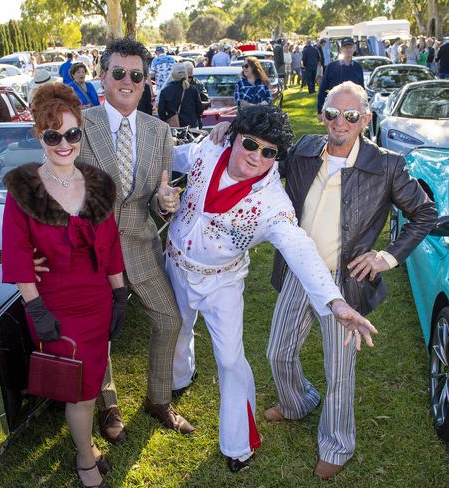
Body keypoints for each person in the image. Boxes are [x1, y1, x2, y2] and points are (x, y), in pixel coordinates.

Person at [169, 104, 376, 474]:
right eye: (250, 144)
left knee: (231, 359)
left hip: (223, 282)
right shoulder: (208, 150)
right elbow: (168, 157)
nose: (256, 157)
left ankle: (239, 444)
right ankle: (178, 378)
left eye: (269, 152)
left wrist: (335, 301)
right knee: (178, 328)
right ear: (234, 137)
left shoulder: (272, 203)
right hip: (176, 264)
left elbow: (299, 247)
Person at [264, 82, 437, 480]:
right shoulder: (305, 150)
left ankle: (337, 443)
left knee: (339, 370)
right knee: (278, 351)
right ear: (323, 114)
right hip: (300, 270)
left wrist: (386, 256)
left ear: (366, 120)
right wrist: (227, 133)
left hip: (345, 281)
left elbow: (424, 214)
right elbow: (263, 159)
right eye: (332, 113)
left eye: (351, 116)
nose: (340, 122)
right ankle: (295, 403)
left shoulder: (387, 165)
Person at [36, 37, 192, 444]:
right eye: (118, 72)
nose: (127, 81)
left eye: (136, 75)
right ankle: (108, 405)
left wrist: (166, 203)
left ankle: (158, 400)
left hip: (140, 244)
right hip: (87, 253)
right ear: (102, 76)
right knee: (97, 335)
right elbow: (51, 182)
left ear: (145, 81)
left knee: (168, 317)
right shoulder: (79, 124)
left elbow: (160, 200)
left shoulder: (159, 131)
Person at [2, 82, 126, 488]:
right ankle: (84, 459)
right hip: (55, 306)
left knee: (89, 381)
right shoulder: (25, 189)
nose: (64, 143)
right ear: (40, 135)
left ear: (81, 134)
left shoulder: (98, 184)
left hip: (97, 302)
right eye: (53, 135)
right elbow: (18, 255)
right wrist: (36, 309)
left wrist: (119, 293)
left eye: (72, 134)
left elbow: (110, 246)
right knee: (80, 391)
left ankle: (86, 447)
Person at [316, 38, 364, 116]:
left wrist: (364, 109)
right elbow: (323, 89)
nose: (348, 50)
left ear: (354, 48)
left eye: (350, 47)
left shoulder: (358, 67)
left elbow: (362, 90)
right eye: (345, 47)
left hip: (353, 109)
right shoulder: (331, 67)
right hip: (334, 108)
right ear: (341, 49)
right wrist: (320, 111)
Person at [158, 63, 203, 128]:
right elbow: (200, 109)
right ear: (186, 74)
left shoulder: (165, 91)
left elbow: (161, 112)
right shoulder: (192, 89)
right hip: (191, 126)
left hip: (174, 127)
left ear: (173, 75)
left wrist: (168, 119)